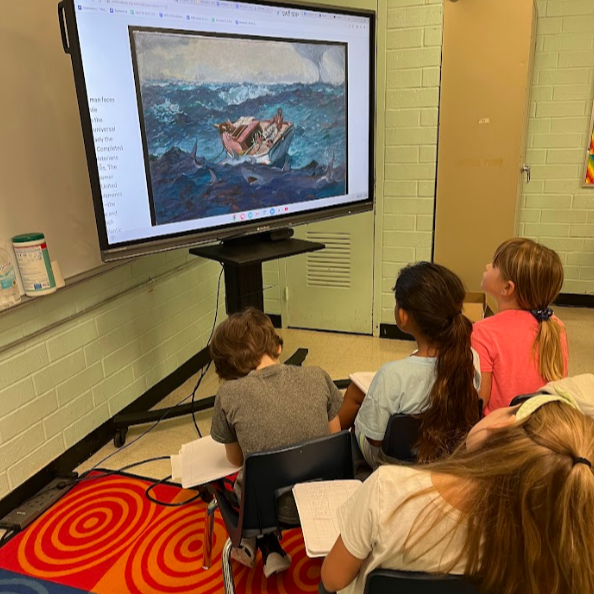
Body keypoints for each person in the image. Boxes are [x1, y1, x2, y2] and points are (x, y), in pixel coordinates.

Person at [320, 392, 594, 594]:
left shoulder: (388, 489)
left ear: (499, 428)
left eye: (513, 408)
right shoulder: (558, 542)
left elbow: (332, 579)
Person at [209, 308, 342, 578]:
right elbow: (335, 438)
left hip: (266, 512)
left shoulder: (228, 394)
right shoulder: (318, 375)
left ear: (228, 367)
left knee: (244, 476)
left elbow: (235, 460)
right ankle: (269, 548)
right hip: (325, 499)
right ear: (278, 347)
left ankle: (263, 543)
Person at [338, 262, 481, 468]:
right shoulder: (470, 358)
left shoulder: (392, 375)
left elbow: (374, 440)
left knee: (357, 413)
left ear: (403, 316)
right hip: (445, 458)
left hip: (396, 465)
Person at [471, 237, 568, 415]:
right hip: (545, 426)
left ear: (507, 288)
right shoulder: (555, 324)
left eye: (493, 265)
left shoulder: (483, 331)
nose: (487, 267)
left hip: (502, 432)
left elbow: (480, 398)